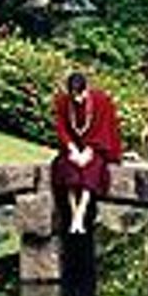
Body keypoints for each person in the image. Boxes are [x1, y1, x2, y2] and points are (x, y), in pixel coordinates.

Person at [51, 72, 122, 234]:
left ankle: (80, 214)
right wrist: (73, 149)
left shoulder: (101, 101)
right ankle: (74, 212)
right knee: (67, 167)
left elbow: (104, 129)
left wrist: (88, 152)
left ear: (86, 89)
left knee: (91, 168)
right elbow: (61, 128)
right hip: (73, 147)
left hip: (96, 148)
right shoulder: (64, 102)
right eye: (73, 95)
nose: (77, 100)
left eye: (80, 95)